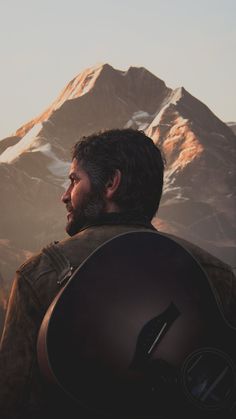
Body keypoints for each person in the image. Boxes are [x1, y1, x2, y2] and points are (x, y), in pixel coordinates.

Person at [0, 128, 235, 419]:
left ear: (111, 183)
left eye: (74, 180)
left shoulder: (39, 275)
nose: (64, 195)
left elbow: (15, 403)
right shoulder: (217, 274)